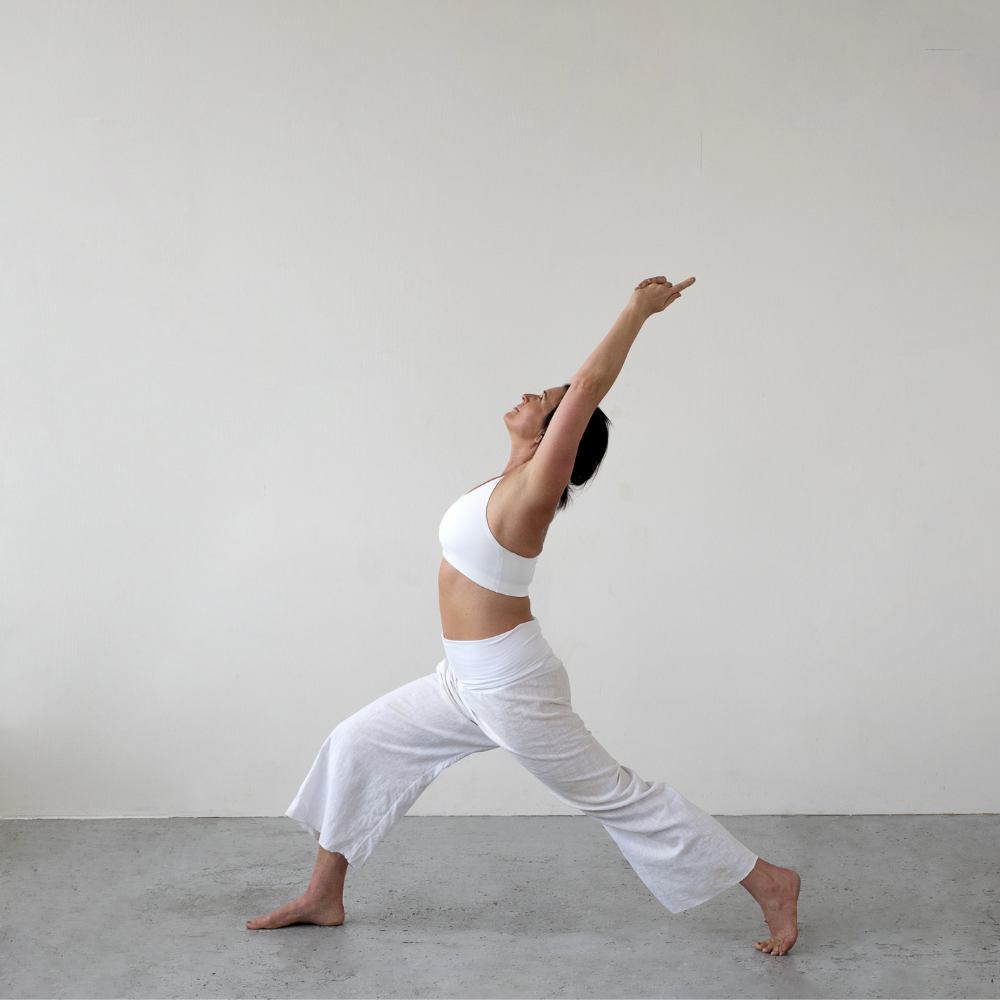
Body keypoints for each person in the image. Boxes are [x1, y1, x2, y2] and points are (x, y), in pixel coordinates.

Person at [247, 276, 801, 956]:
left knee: (618, 797)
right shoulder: (504, 479)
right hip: (462, 679)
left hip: (510, 685)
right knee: (358, 743)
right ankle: (324, 895)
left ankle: (770, 882)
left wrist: (637, 310)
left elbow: (588, 385)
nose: (533, 395)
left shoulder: (537, 489)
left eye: (549, 399)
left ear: (559, 434)